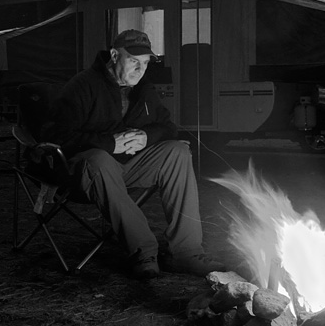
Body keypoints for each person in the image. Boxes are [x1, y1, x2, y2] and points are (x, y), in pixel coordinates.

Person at [41, 29, 224, 280]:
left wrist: (147, 137)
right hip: (83, 174)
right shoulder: (83, 85)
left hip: (129, 168)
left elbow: (168, 127)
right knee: (100, 160)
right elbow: (57, 136)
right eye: (134, 61)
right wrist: (109, 144)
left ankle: (185, 252)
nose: (141, 69)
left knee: (178, 152)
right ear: (115, 55)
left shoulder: (143, 90)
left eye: (146, 63)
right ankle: (143, 251)